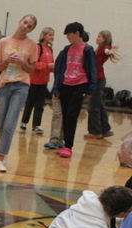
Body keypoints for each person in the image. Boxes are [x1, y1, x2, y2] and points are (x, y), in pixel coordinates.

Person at [0, 14, 39, 173]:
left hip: (21, 85)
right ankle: (5, 146)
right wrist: (7, 61)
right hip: (4, 84)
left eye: (29, 26)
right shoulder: (3, 42)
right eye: (25, 22)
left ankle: (1, 158)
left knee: (10, 123)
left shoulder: (32, 45)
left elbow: (32, 69)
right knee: (0, 123)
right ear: (20, 21)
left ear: (31, 30)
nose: (25, 27)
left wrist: (22, 62)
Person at [51, 22, 97, 159]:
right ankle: (64, 144)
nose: (67, 37)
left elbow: (92, 70)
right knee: (65, 115)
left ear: (77, 33)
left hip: (80, 85)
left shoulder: (88, 50)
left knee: (72, 116)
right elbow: (59, 69)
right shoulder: (66, 50)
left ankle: (68, 146)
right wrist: (56, 87)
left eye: (69, 34)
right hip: (65, 85)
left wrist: (90, 89)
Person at [85, 30, 121, 139]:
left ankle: (95, 131)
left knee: (93, 106)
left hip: (97, 80)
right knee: (100, 105)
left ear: (105, 39)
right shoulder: (100, 49)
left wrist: (109, 51)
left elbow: (106, 51)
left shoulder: (104, 48)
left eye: (99, 37)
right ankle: (106, 129)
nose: (97, 38)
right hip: (99, 79)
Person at [20, 27, 55, 134]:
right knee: (30, 102)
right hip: (33, 80)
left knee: (40, 104)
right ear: (44, 35)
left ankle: (36, 125)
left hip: (44, 81)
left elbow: (51, 65)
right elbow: (34, 64)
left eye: (53, 35)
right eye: (50, 35)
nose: (52, 37)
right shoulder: (38, 47)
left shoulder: (50, 49)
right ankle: (24, 121)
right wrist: (47, 66)